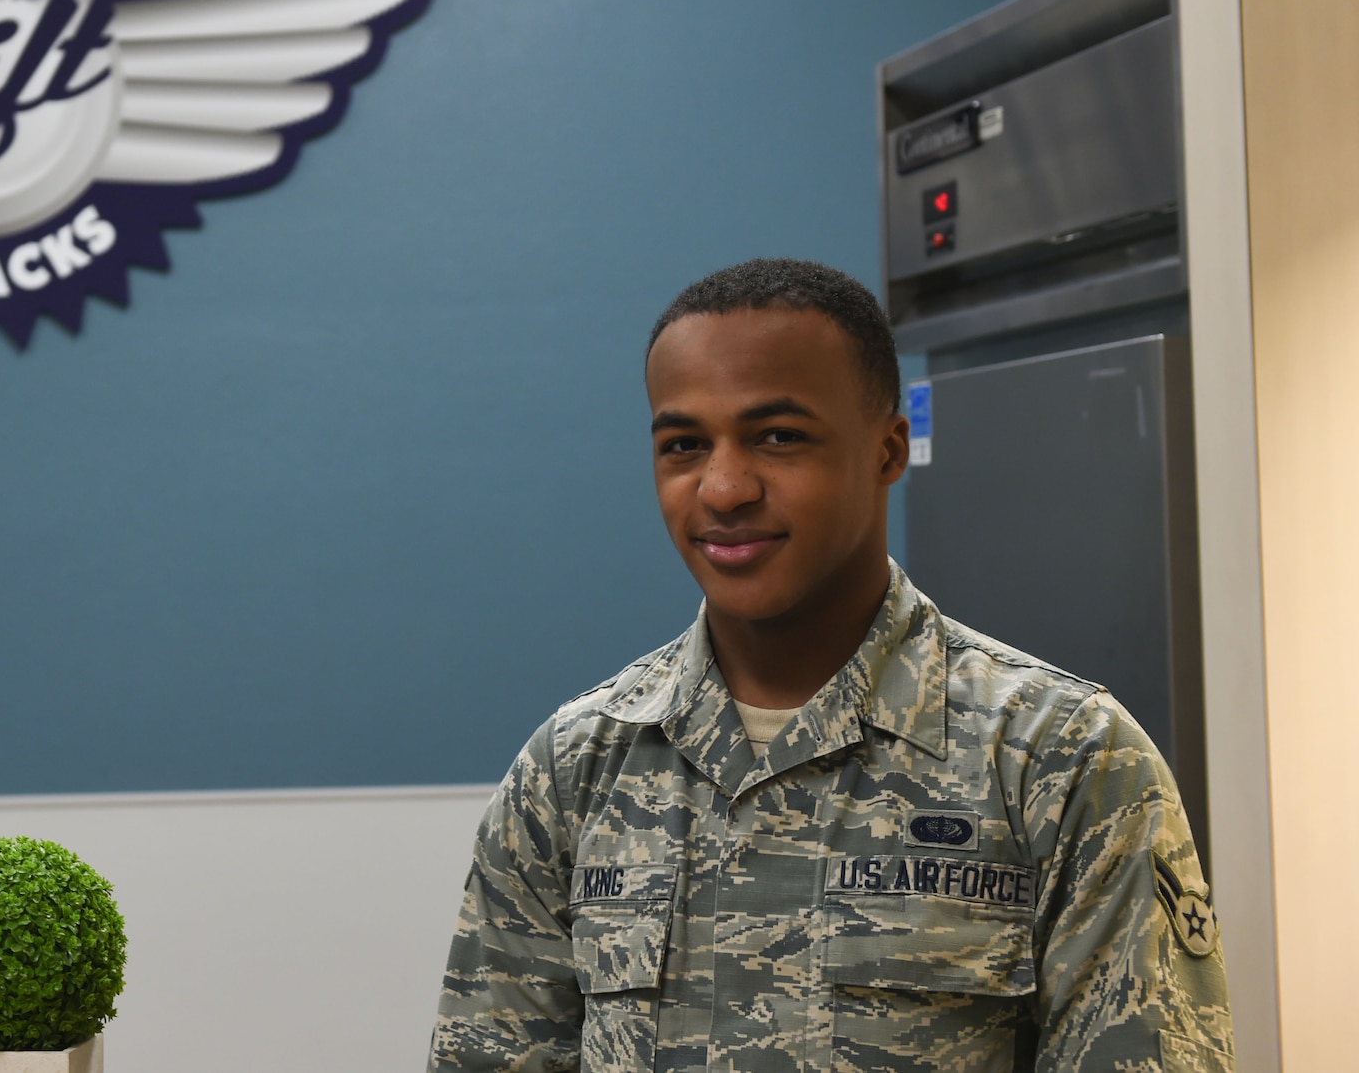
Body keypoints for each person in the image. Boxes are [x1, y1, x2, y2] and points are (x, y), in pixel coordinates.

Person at [427, 258, 1232, 1072]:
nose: (724, 486)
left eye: (778, 437)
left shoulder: (1061, 760)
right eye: (683, 444)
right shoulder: (571, 772)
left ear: (887, 449)